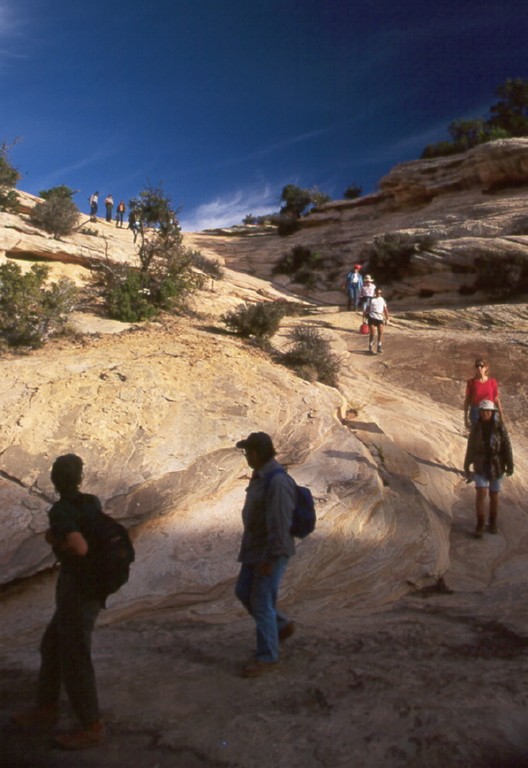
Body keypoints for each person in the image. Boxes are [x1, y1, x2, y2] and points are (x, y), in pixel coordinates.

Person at [12, 454, 105, 750]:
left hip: (79, 588)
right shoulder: (91, 502)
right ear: (80, 478)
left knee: (74, 655)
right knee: (52, 646)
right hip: (92, 584)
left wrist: (56, 541)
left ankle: (91, 726)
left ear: (54, 480)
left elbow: (80, 546)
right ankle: (47, 708)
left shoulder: (61, 510)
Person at [235, 432, 296, 678]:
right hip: (255, 548)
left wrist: (270, 559)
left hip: (269, 552)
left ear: (257, 453)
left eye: (247, 452)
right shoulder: (261, 475)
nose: (246, 456)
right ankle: (279, 626)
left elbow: (280, 524)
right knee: (243, 591)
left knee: (261, 602)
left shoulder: (277, 481)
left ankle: (267, 656)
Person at [464, 400, 513, 538]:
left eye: (488, 411)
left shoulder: (499, 427)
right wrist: (467, 464)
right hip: (481, 464)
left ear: (492, 412)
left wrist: (510, 464)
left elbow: (506, 445)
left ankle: (492, 522)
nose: (486, 413)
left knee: (494, 495)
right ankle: (480, 523)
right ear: (480, 412)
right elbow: (471, 447)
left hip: (497, 465)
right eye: (483, 411)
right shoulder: (476, 428)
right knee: (481, 493)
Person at [464, 357, 504, 428]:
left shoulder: (492, 382)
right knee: (477, 432)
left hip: (490, 411)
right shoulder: (471, 382)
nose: (479, 368)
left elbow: (496, 399)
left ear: (486, 368)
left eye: (481, 366)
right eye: (477, 366)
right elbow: (467, 400)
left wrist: (501, 415)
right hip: (476, 411)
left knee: (492, 433)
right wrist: (465, 418)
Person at [367, 287, 389, 354]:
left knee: (380, 332)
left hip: (379, 317)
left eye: (380, 293)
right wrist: (364, 317)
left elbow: (385, 309)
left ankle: (379, 347)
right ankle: (370, 347)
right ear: (375, 292)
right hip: (372, 316)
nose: (379, 294)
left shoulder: (382, 299)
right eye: (377, 293)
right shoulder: (371, 299)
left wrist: (387, 318)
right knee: (372, 332)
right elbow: (367, 308)